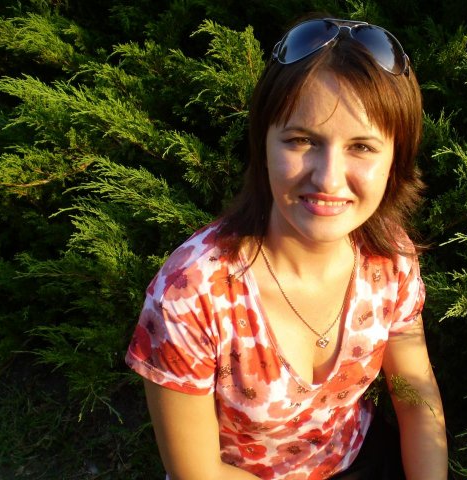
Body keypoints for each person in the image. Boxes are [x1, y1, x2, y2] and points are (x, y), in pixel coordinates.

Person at [125, 16, 448, 480]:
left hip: (359, 459)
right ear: (263, 143)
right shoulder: (189, 294)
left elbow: (416, 396)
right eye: (302, 140)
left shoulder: (391, 259)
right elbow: (199, 472)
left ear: (395, 157)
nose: (328, 178)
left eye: (361, 147)